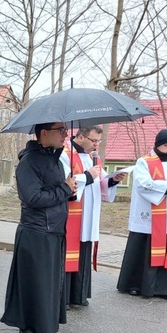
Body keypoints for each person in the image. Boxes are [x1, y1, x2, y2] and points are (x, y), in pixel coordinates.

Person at [0, 122, 77, 333]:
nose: (65, 134)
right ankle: (28, 328)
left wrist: (69, 191)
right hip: (36, 231)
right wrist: (64, 188)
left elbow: (55, 194)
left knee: (48, 282)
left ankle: (44, 324)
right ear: (44, 133)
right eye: (60, 130)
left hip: (53, 229)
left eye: (65, 130)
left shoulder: (54, 160)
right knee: (34, 282)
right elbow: (32, 198)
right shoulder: (29, 162)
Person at [117, 129, 167, 301]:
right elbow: (142, 184)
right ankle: (135, 285)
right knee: (143, 249)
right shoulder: (144, 162)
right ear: (158, 144)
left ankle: (166, 288)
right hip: (149, 216)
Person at [60, 126, 125, 307]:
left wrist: (113, 180)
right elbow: (64, 181)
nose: (96, 145)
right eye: (93, 140)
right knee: (69, 254)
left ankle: (78, 296)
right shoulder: (65, 155)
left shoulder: (92, 158)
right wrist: (87, 176)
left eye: (98, 141)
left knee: (84, 252)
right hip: (73, 213)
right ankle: (64, 297)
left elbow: (101, 182)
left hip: (89, 214)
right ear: (80, 137)